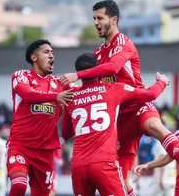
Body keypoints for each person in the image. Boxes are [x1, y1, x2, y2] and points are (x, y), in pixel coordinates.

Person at [59, 0, 179, 195]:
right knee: (123, 180)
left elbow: (113, 67)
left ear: (114, 20)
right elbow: (96, 87)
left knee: (155, 126)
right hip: (119, 117)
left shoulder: (125, 44)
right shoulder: (98, 53)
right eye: (93, 18)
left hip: (138, 103)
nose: (95, 22)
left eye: (99, 18)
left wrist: (77, 75)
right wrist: (77, 89)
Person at [61, 53, 170, 196]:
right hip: (104, 163)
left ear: (79, 72)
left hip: (78, 165)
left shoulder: (71, 96)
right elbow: (150, 95)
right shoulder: (113, 89)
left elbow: (66, 134)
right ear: (98, 69)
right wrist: (161, 82)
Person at [6, 39, 74, 196]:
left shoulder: (60, 83)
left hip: (45, 151)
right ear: (34, 57)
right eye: (46, 52)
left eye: (52, 53)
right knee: (19, 186)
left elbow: (85, 91)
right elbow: (28, 94)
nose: (51, 56)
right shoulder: (21, 76)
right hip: (20, 145)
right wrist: (56, 96)